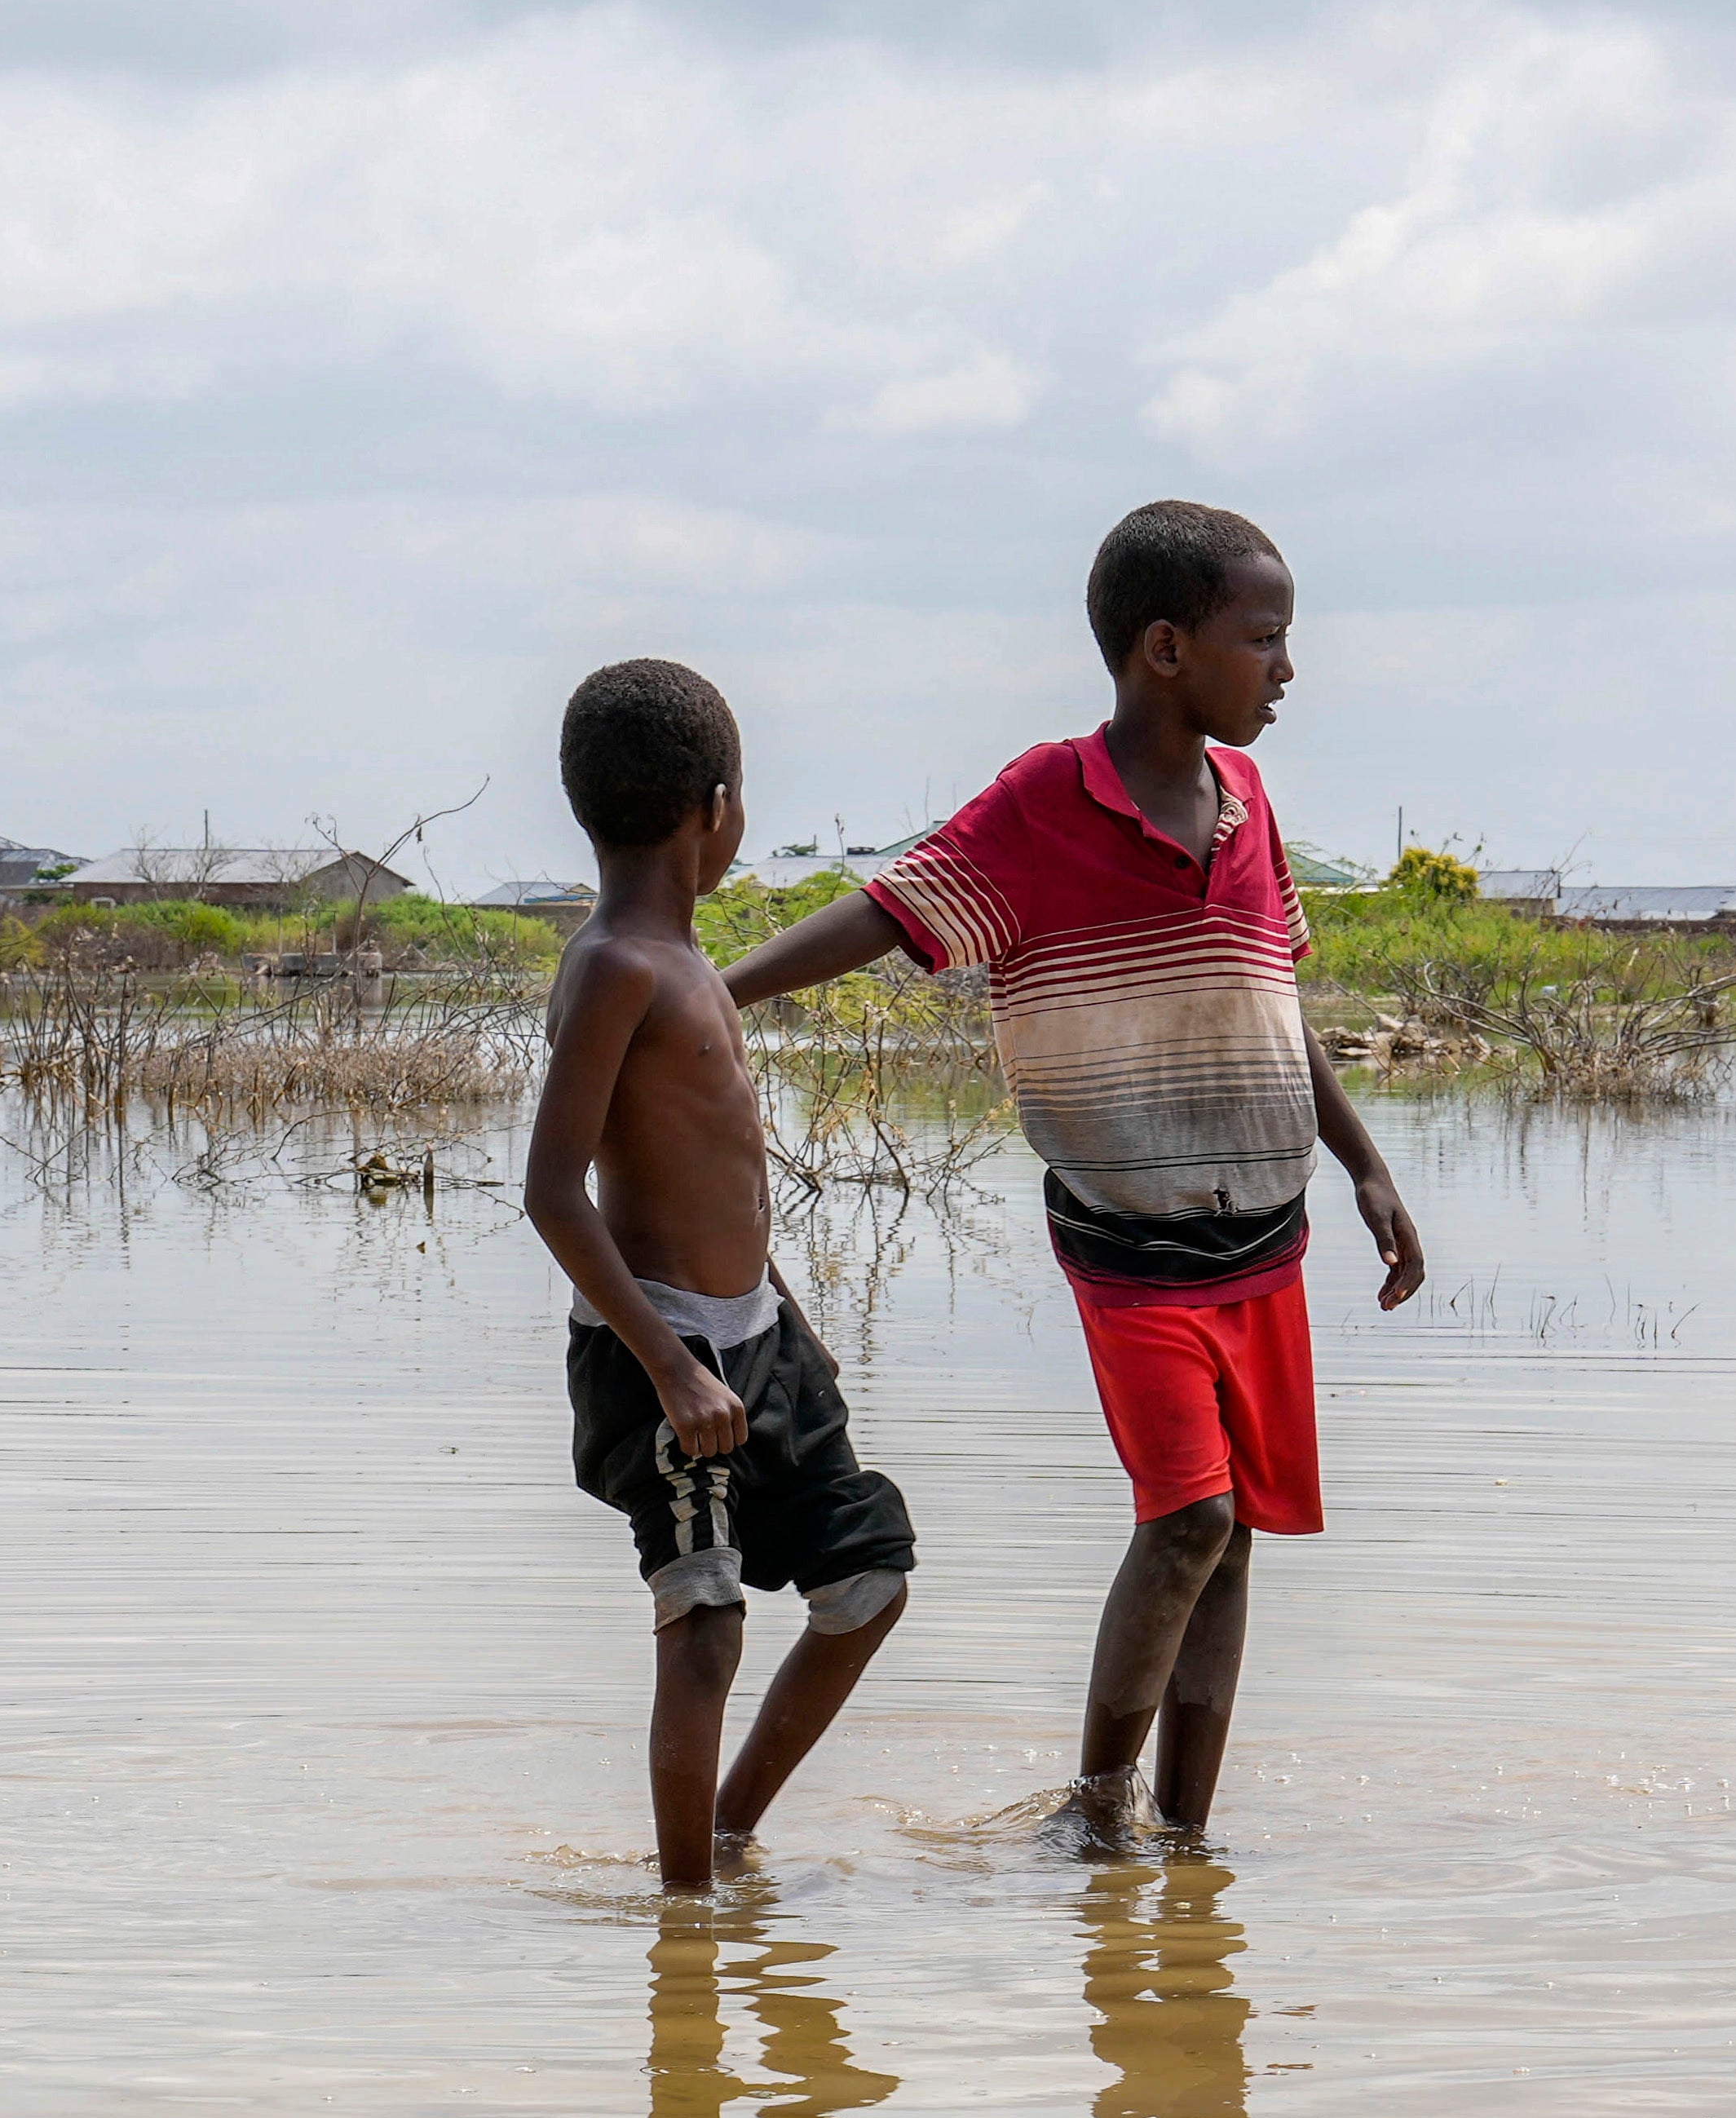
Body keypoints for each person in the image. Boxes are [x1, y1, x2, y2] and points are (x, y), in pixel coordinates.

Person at [718, 502, 1420, 1850]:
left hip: (1263, 1236)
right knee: (1187, 1517)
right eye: (1261, 638)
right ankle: (1098, 1819)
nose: (1286, 669)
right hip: (1129, 1241)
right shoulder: (1050, 800)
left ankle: (1187, 1839)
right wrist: (717, 990)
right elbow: (888, 910)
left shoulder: (1249, 802)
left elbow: (1275, 1004)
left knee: (1235, 1537)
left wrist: (1368, 1168)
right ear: (1167, 647)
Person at [523, 657, 919, 1895]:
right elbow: (551, 1188)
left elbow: (719, 1185)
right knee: (705, 1623)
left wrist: (789, 1319)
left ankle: (730, 1832)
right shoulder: (615, 969)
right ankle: (684, 1910)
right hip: (665, 1358)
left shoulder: (693, 965)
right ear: (716, 807)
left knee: (865, 1581)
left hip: (757, 1339)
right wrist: (668, 1364)